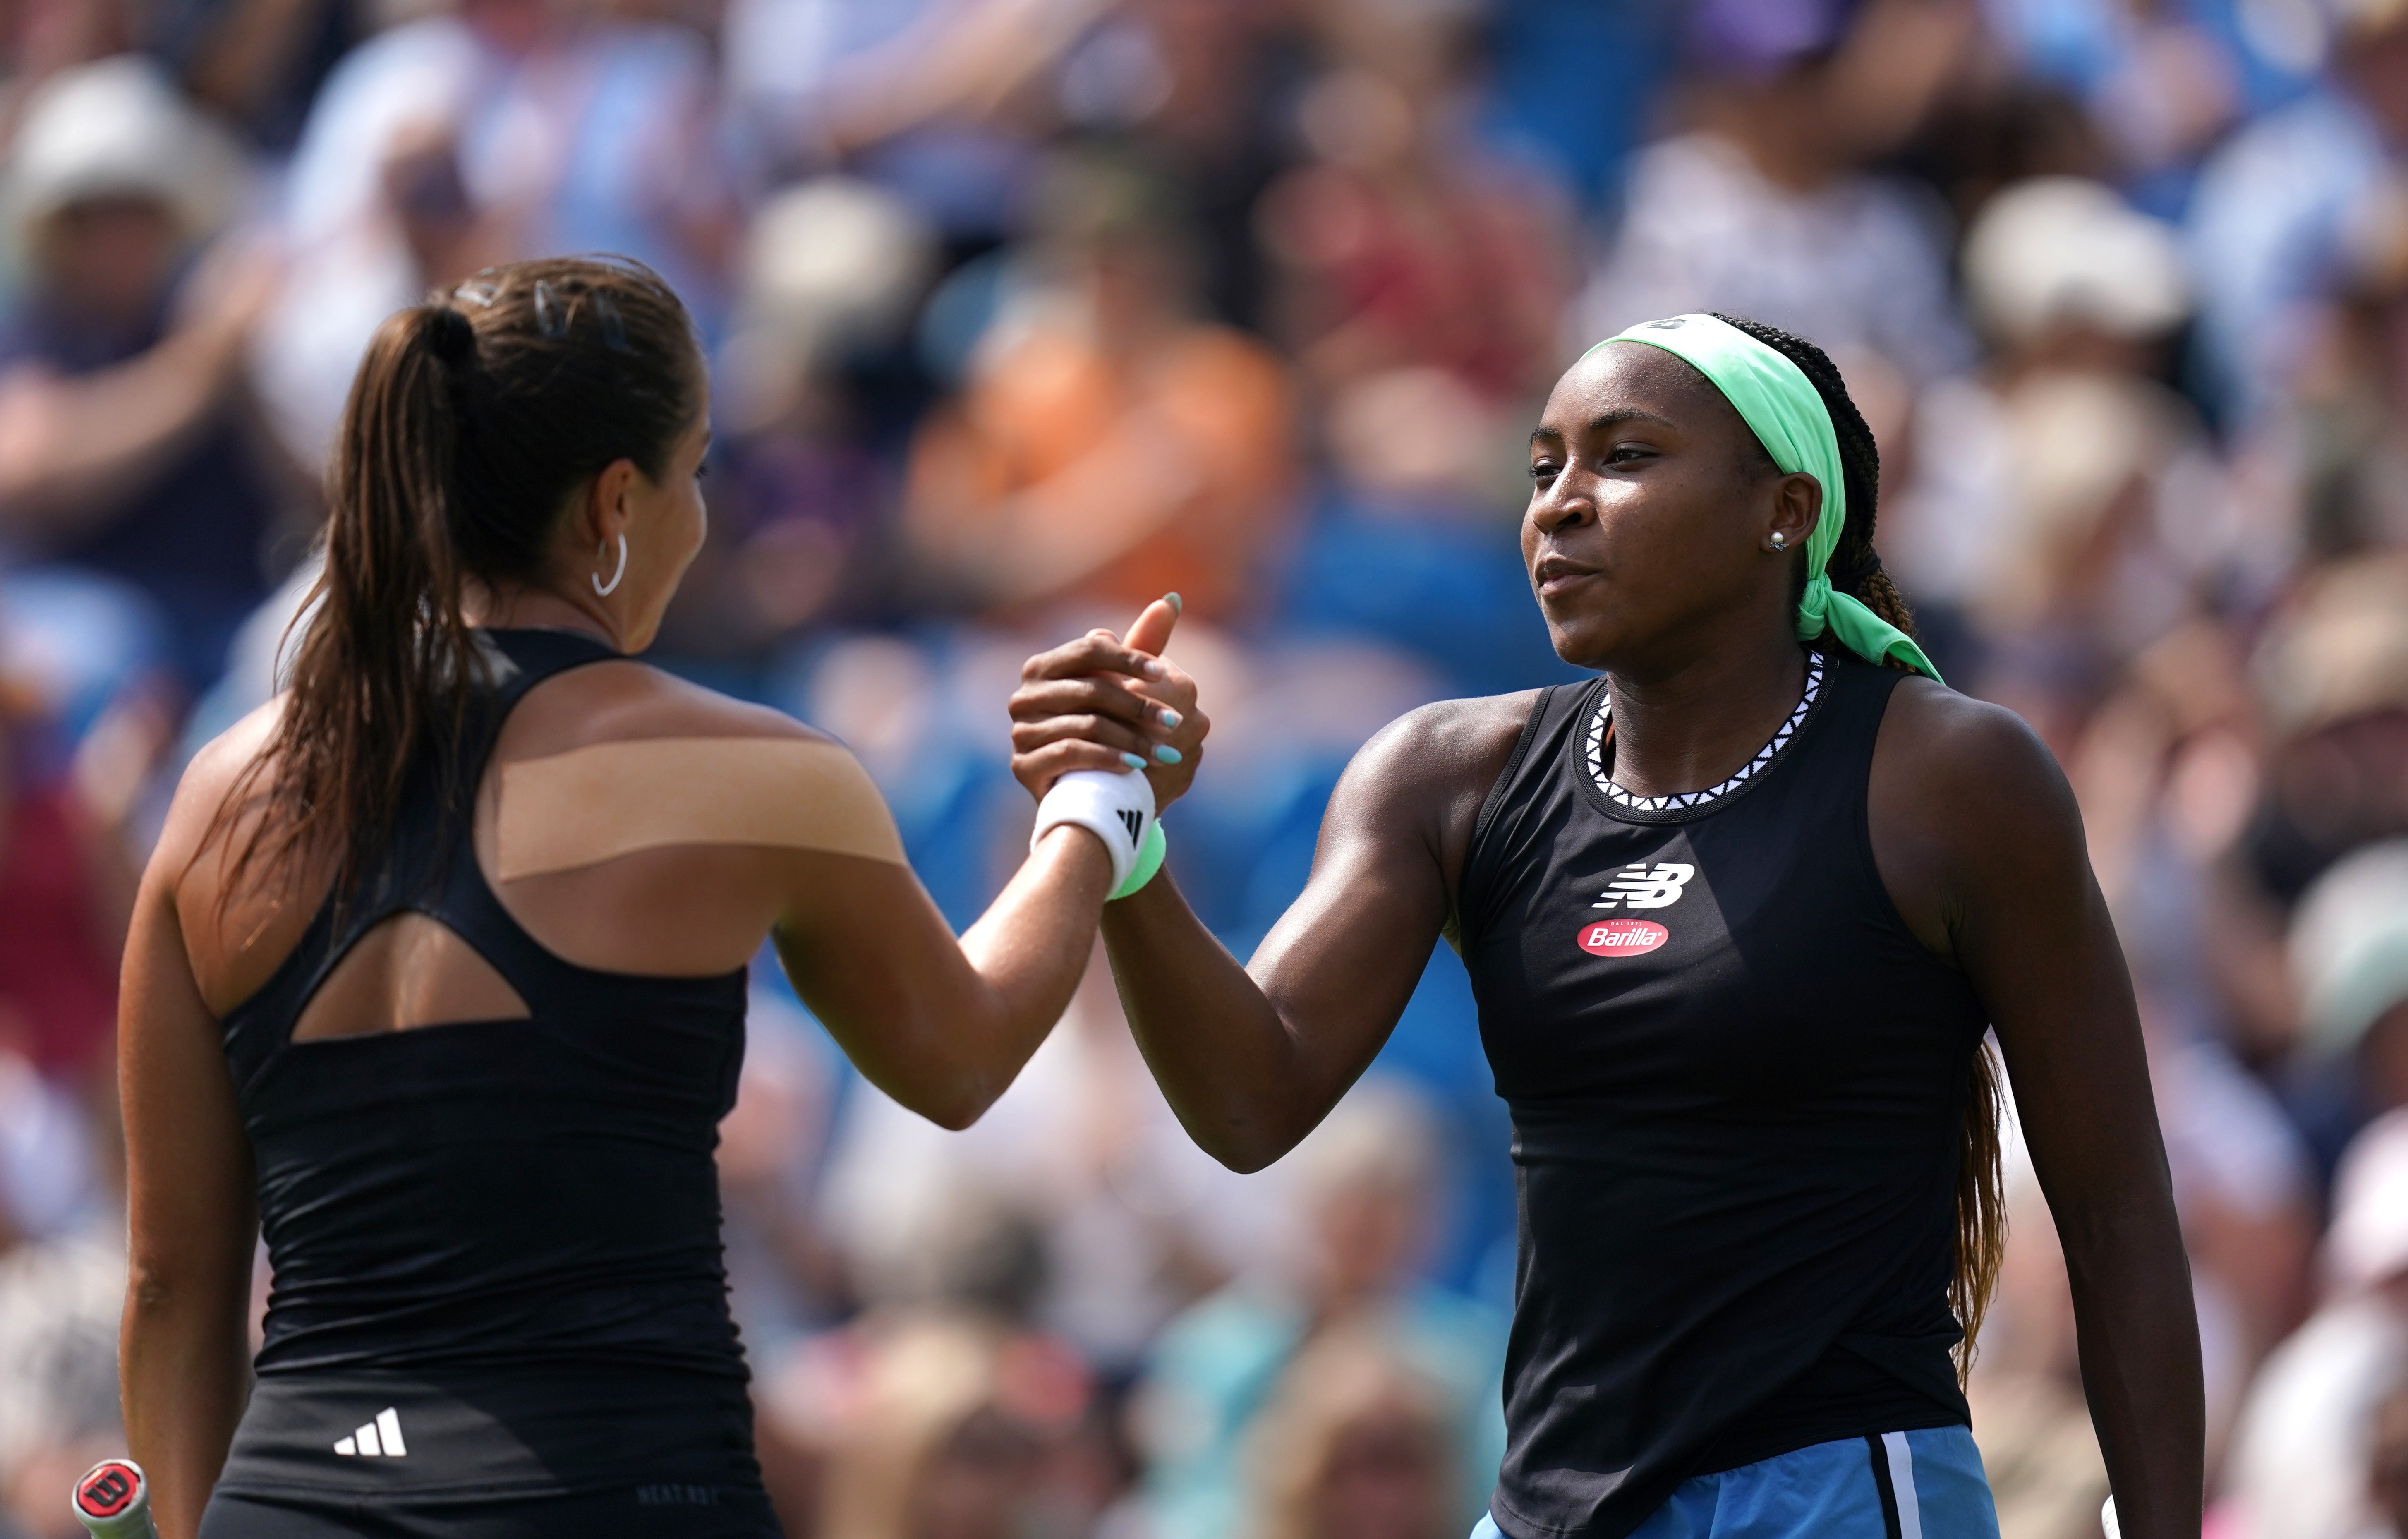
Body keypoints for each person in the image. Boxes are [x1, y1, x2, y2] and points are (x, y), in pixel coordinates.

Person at [1009, 312, 2203, 1536]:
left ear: (1783, 512)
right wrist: (1126, 837)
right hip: (1550, 1508)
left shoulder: (1950, 776)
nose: (1559, 507)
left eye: (1625, 457)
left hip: (1839, 1497)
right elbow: (1249, 1099)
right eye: (1541, 470)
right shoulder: (1444, 775)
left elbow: (2116, 1207)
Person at [115, 255, 1178, 1538]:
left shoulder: (220, 794)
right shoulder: (749, 775)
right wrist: (1089, 812)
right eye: (700, 472)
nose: (704, 516)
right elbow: (961, 1055)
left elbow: (173, 1287)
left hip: (295, 1500)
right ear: (617, 502)